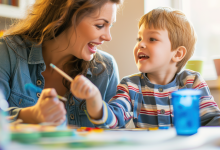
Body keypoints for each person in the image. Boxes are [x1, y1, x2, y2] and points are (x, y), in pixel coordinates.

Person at [0, 0, 123, 127]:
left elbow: (117, 132)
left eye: (110, 26)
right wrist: (30, 115)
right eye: (100, 25)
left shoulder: (106, 68)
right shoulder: (9, 52)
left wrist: (98, 107)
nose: (108, 37)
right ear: (65, 16)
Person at [70, 7, 220, 128]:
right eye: (139, 38)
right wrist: (94, 101)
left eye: (152, 39)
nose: (141, 44)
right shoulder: (130, 86)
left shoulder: (192, 82)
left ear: (178, 53)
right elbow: (114, 119)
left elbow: (212, 119)